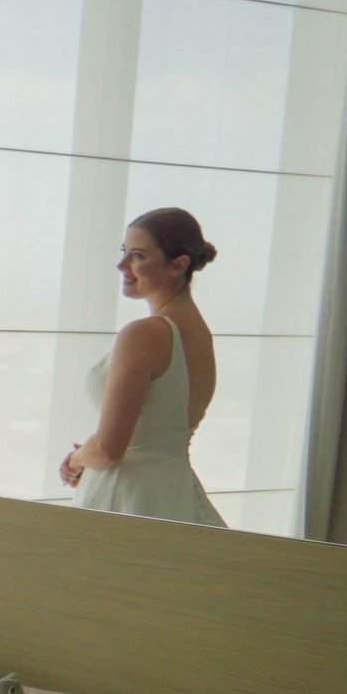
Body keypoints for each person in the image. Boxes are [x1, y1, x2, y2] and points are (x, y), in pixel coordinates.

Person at [58, 207, 227, 527]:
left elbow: (109, 450)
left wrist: (77, 460)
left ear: (179, 265)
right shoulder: (200, 333)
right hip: (176, 494)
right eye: (124, 252)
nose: (122, 265)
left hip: (127, 498)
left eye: (138, 256)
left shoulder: (145, 333)